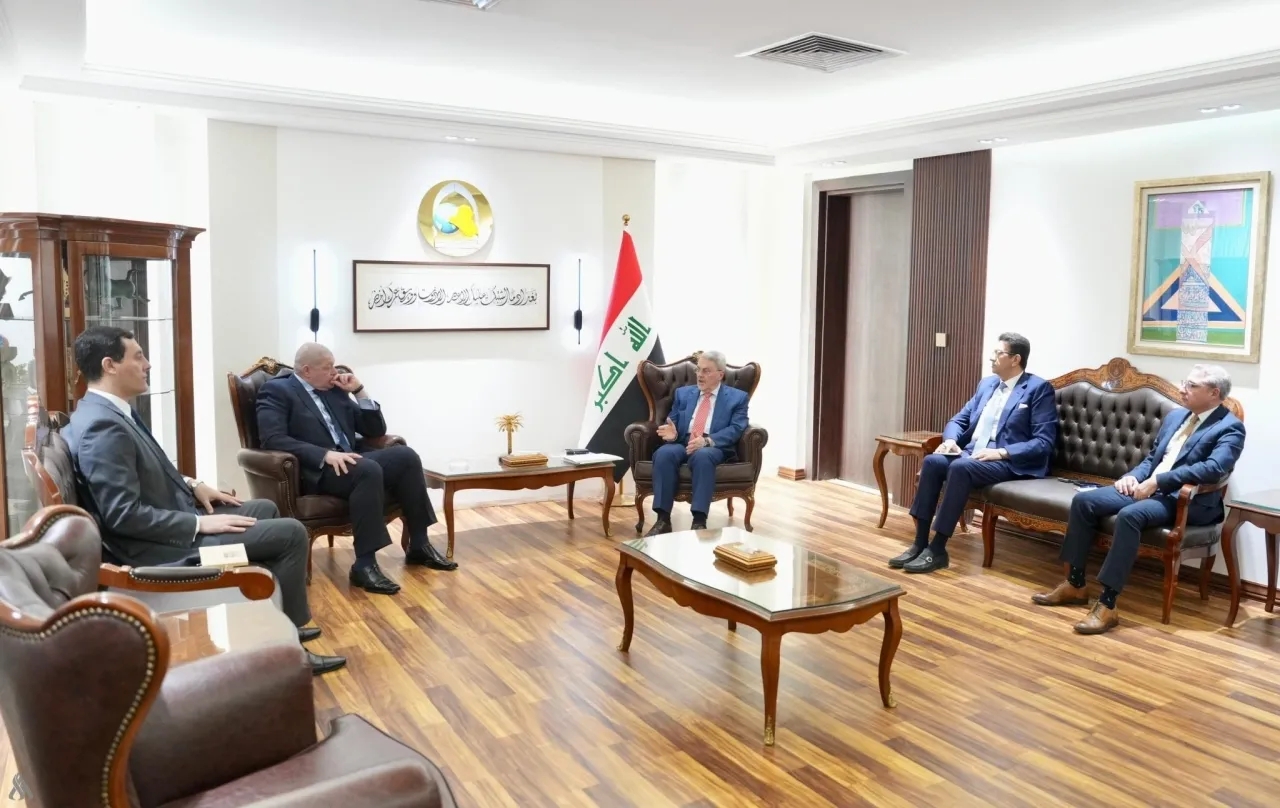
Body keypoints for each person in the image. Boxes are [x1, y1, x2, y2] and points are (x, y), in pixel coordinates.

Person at [65, 327, 344, 675]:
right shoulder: (102, 427)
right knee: (290, 534)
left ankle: (275, 627)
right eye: (138, 356)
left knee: (265, 509)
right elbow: (122, 515)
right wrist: (199, 523)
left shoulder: (108, 412)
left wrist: (193, 484)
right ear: (110, 365)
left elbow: (143, 470)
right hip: (158, 553)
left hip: (166, 524)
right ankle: (289, 651)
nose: (148, 364)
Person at [1033, 364, 1244, 635]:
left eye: (1192, 386)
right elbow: (1153, 458)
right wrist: (1132, 477)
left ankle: (1108, 604)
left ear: (1214, 393)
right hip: (1148, 487)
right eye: (1185, 382)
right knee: (1085, 502)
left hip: (1184, 501)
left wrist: (1159, 481)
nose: (1183, 389)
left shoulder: (1230, 428)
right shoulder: (1177, 417)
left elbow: (1214, 469)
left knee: (1130, 516)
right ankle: (1075, 585)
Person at [256, 343, 455, 596]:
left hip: (351, 460)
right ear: (306, 370)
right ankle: (364, 564)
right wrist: (324, 455)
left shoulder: (335, 390)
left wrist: (359, 392)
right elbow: (272, 438)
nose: (334, 372)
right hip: (315, 469)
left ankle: (419, 544)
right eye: (327, 367)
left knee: (406, 456)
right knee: (367, 469)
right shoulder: (277, 391)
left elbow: (375, 430)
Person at [890, 332, 1057, 574]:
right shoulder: (987, 385)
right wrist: (950, 441)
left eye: (998, 353)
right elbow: (959, 419)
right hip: (972, 454)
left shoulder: (1038, 389)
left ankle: (938, 549)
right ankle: (919, 543)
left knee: (961, 467)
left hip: (1008, 461)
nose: (991, 357)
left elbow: (1044, 442)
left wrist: (1001, 452)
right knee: (934, 462)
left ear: (1015, 359)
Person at [644, 350, 749, 535]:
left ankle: (699, 521)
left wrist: (707, 441)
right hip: (683, 441)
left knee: (703, 457)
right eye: (698, 370)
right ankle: (662, 520)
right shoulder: (683, 393)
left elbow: (736, 428)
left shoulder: (737, 398)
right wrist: (673, 433)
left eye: (706, 371)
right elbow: (673, 419)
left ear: (720, 374)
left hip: (712, 445)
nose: (700, 375)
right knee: (664, 454)